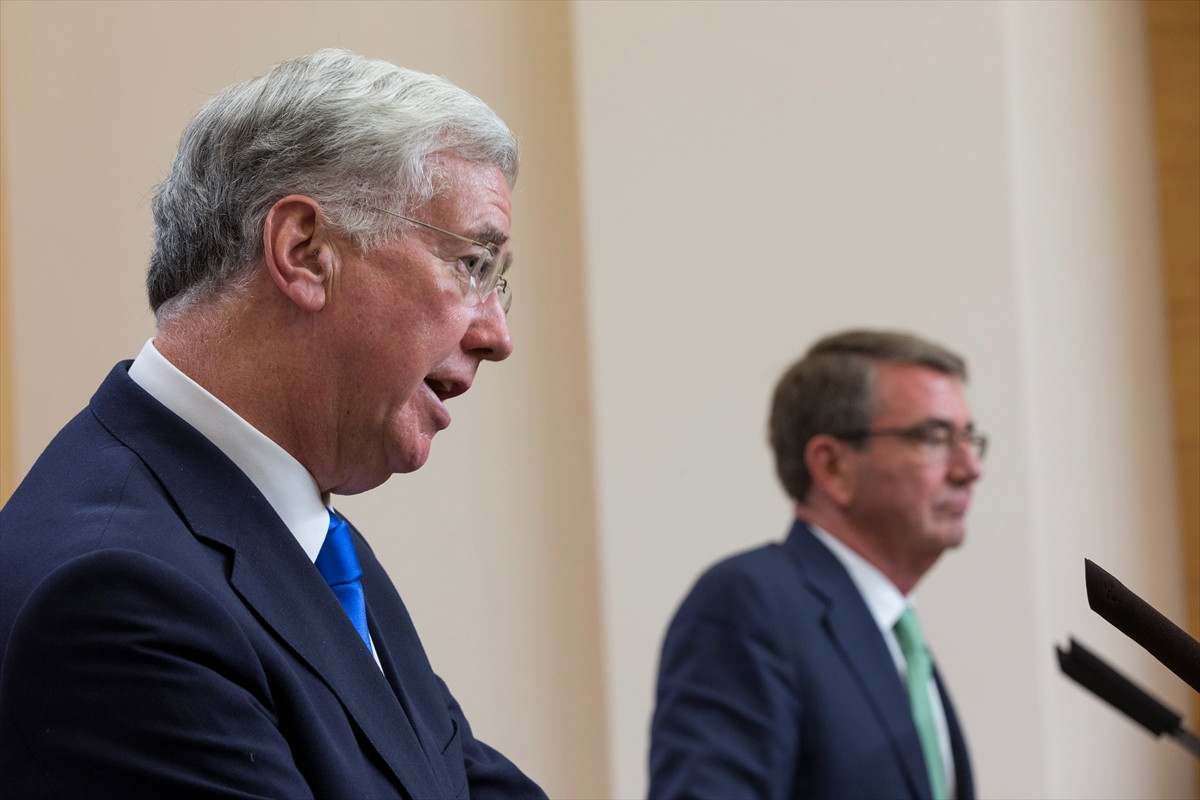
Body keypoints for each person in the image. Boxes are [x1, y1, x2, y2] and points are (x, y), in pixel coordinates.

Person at [0, 49, 545, 799]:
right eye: (472, 264)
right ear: (305, 252)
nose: (497, 335)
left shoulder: (307, 541)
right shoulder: (117, 594)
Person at [649, 329, 984, 800]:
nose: (970, 469)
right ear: (832, 466)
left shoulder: (898, 635)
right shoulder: (748, 605)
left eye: (969, 439)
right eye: (934, 438)